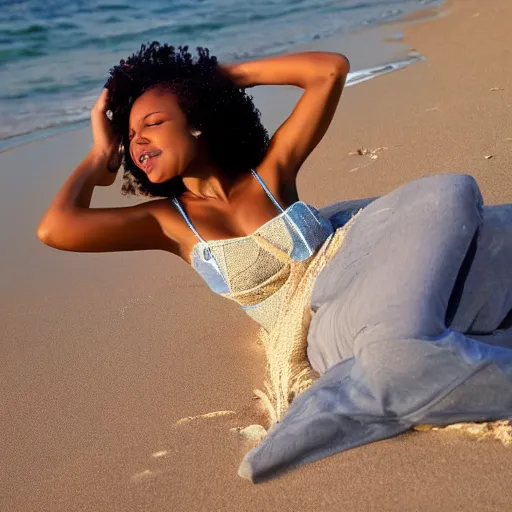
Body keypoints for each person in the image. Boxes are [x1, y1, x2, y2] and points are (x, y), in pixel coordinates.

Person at [38, 43, 512, 482]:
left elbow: (329, 70)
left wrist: (215, 78)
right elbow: (55, 228)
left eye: (153, 123)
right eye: (129, 137)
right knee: (398, 350)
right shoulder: (167, 222)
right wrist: (100, 154)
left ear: (197, 119)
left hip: (364, 255)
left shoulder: (269, 175)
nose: (136, 142)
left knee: (448, 204)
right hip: (321, 323)